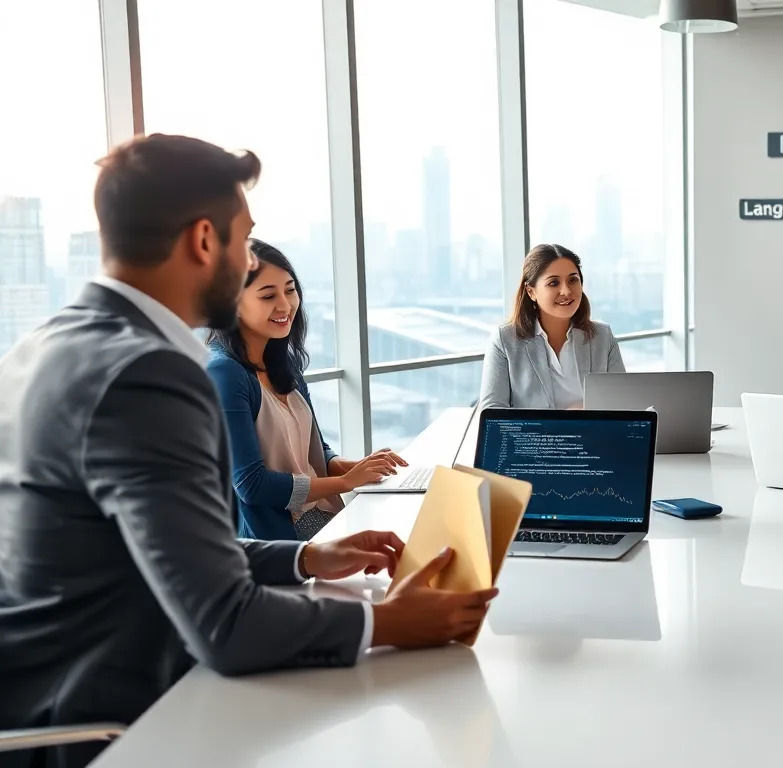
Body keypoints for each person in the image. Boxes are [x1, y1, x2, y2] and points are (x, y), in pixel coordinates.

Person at [0, 134, 497, 768]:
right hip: (102, 728)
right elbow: (225, 626)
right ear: (205, 241)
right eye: (245, 240)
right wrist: (394, 624)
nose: (250, 259)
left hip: (60, 693)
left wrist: (308, 557)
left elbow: (162, 545)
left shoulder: (51, 344)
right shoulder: (147, 374)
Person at [207, 239, 407, 541]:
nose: (285, 305)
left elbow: (315, 454)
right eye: (268, 295)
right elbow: (251, 484)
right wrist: (347, 482)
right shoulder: (225, 373)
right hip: (283, 536)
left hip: (324, 514)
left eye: (290, 289)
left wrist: (359, 468)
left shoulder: (282, 363)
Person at [479, 243, 625, 410]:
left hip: (593, 435)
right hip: (533, 436)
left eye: (573, 280)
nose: (566, 291)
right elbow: (492, 412)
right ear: (531, 291)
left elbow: (620, 402)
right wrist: (561, 422)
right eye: (554, 283)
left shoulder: (602, 336)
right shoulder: (504, 341)